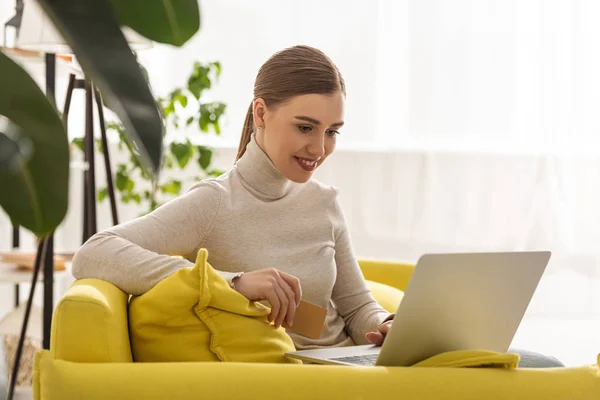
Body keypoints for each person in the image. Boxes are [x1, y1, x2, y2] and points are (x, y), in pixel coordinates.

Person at [72, 45, 563, 367]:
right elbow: (93, 253)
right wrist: (234, 284)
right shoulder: (214, 203)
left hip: (356, 362)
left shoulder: (324, 202)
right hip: (306, 374)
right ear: (261, 113)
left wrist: (385, 328)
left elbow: (354, 304)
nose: (319, 148)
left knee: (541, 365)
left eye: (332, 132)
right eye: (305, 127)